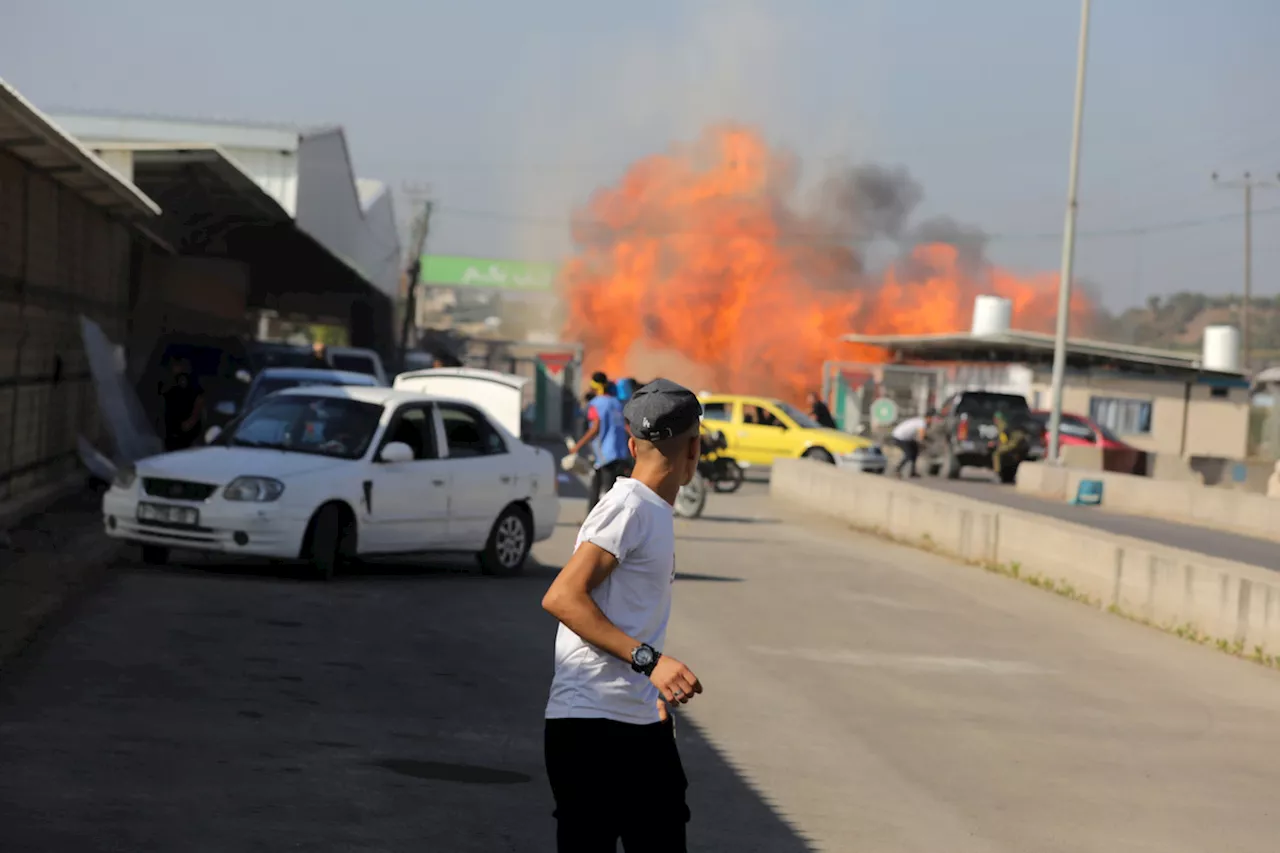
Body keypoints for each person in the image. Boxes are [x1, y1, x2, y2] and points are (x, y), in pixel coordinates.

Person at [542, 378, 705, 851]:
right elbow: (562, 597)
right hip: (591, 728)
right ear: (694, 446)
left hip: (633, 723)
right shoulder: (628, 507)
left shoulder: (649, 509)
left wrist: (647, 692)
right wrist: (651, 663)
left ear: (632, 444)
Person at [569, 382, 632, 514]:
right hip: (619, 452)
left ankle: (600, 521)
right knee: (604, 487)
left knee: (603, 490)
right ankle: (596, 518)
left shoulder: (595, 404)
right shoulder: (617, 403)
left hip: (605, 454)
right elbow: (626, 425)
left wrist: (577, 446)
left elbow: (595, 427)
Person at [162, 358, 205, 452]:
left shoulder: (191, 383)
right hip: (172, 430)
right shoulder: (169, 384)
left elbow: (199, 401)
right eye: (174, 366)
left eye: (178, 366)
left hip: (188, 429)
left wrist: (191, 421)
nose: (176, 368)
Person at [889, 412, 927, 478]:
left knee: (915, 451)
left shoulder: (918, 420)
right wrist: (922, 444)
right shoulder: (922, 423)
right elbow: (921, 436)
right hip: (900, 437)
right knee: (909, 454)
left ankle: (912, 472)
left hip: (905, 437)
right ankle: (897, 470)